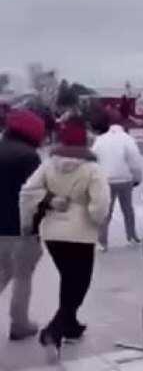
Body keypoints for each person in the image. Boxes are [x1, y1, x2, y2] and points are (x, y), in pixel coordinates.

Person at [19, 116, 110, 362]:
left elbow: (27, 190)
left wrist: (49, 201)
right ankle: (53, 331)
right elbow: (100, 204)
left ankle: (70, 325)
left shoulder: (49, 165)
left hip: (52, 233)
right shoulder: (92, 169)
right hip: (80, 233)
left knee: (69, 278)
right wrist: (94, 218)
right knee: (79, 283)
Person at [0, 109, 46, 341]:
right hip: (22, 229)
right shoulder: (28, 157)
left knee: (4, 271)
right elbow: (35, 195)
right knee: (22, 276)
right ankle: (19, 324)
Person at [92, 112, 143, 251]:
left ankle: (102, 242)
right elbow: (135, 161)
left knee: (106, 211)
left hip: (106, 180)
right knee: (127, 209)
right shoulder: (128, 139)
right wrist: (137, 178)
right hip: (125, 179)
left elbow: (93, 158)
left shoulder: (100, 139)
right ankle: (131, 236)